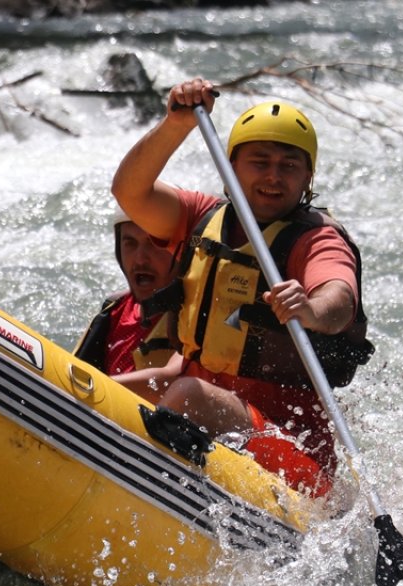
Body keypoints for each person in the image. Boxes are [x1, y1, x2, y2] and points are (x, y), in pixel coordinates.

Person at [110, 78, 373, 497]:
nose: (273, 176)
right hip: (201, 399)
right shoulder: (200, 216)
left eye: (289, 165)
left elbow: (338, 297)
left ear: (307, 177)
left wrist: (310, 309)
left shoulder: (317, 238)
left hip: (293, 455)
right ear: (231, 167)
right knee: (94, 390)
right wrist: (176, 124)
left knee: (187, 395)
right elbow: (131, 192)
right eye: (260, 161)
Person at [74, 207, 184, 404]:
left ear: (181, 251)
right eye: (130, 244)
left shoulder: (197, 316)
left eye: (154, 244)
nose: (140, 259)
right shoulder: (113, 310)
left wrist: (88, 388)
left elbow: (171, 381)